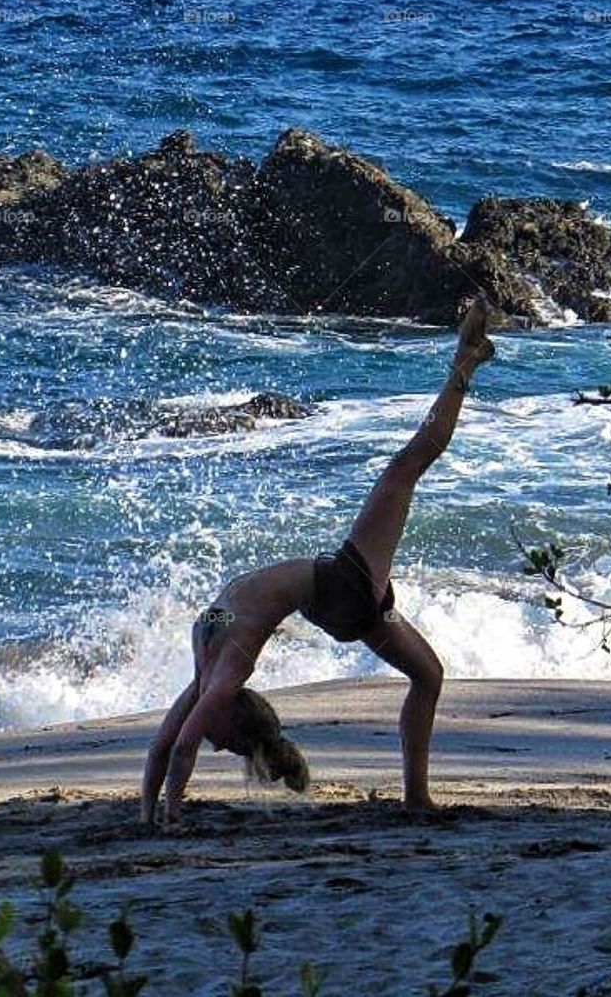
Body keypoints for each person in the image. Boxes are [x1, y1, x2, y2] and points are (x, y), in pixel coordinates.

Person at [141, 295, 496, 826]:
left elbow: (162, 749)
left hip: (357, 607)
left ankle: (417, 795)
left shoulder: (207, 676)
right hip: (344, 587)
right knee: (407, 465)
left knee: (428, 675)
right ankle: (463, 365)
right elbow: (185, 747)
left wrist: (149, 814)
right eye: (226, 744)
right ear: (234, 719)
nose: (214, 743)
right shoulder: (227, 673)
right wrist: (171, 813)